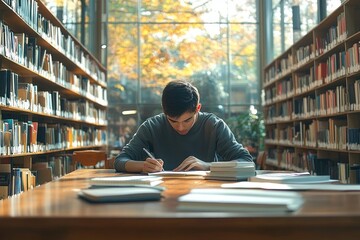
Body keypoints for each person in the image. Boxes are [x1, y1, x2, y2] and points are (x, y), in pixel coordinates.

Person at [114, 80, 253, 173]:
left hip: (206, 194)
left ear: (198, 108)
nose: (180, 127)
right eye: (173, 121)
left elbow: (246, 161)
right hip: (163, 194)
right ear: (164, 111)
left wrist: (208, 166)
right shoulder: (152, 126)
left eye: (187, 120)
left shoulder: (213, 125)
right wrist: (143, 166)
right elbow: (120, 161)